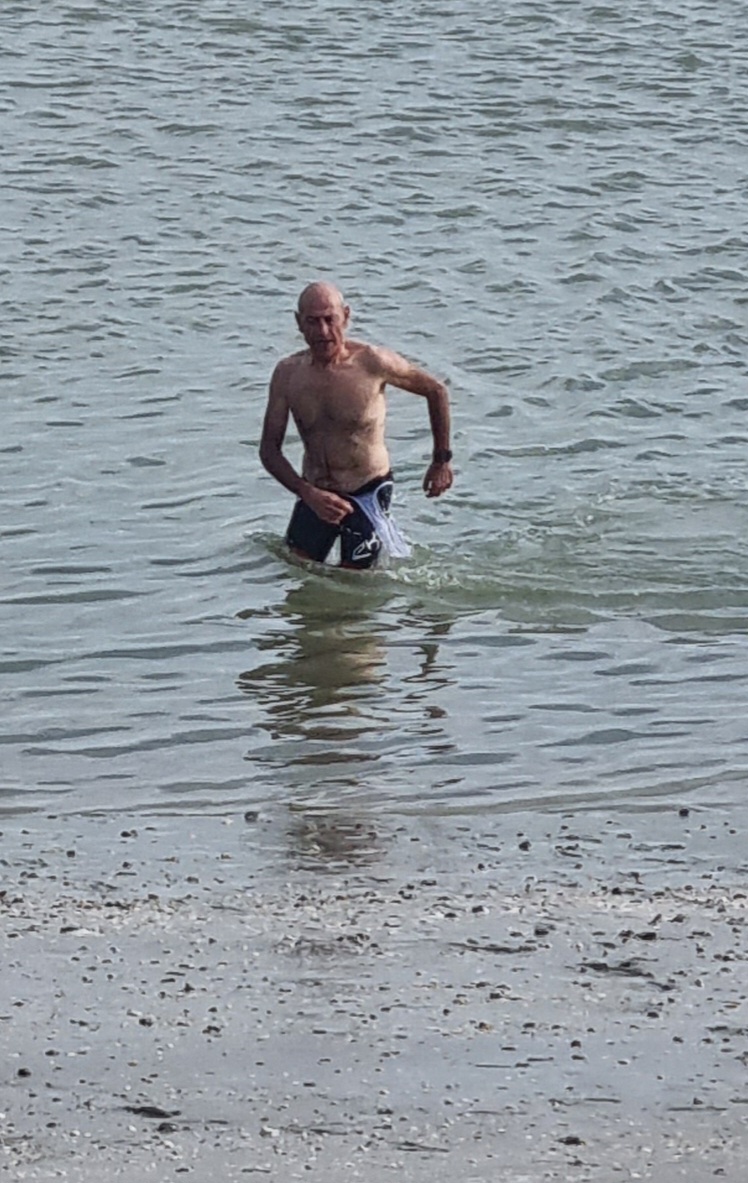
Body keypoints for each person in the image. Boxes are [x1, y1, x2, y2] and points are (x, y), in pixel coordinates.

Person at [259, 281, 453, 568]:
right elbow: (269, 450)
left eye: (330, 320)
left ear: (346, 317)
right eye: (313, 321)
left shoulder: (372, 363)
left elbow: (436, 391)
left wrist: (441, 461)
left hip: (367, 490)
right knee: (297, 574)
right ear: (299, 323)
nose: (323, 331)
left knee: (354, 583)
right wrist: (307, 492)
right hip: (315, 493)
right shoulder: (287, 375)